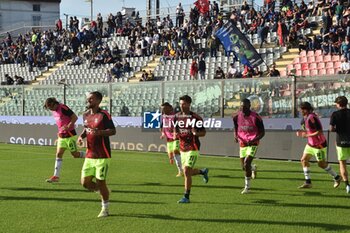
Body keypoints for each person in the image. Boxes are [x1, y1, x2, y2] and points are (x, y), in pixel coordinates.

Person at [77, 91, 116, 218]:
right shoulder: (85, 115)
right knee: (85, 183)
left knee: (101, 182)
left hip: (102, 155)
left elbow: (113, 131)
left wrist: (99, 132)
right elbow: (86, 128)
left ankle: (105, 209)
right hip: (90, 154)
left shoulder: (104, 115)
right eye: (88, 98)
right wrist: (81, 136)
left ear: (98, 101)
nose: (88, 101)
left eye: (91, 99)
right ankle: (104, 192)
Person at [296, 102, 341, 189]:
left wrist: (307, 135)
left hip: (319, 145)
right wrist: (301, 132)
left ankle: (337, 177)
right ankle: (308, 182)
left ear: (306, 109)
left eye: (301, 109)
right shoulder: (304, 119)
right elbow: (308, 131)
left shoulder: (312, 118)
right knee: (303, 160)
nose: (300, 111)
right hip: (310, 144)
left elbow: (320, 131)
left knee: (321, 164)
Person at [174, 95, 209, 203]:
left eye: (183, 104)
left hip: (193, 147)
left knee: (186, 170)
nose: (181, 106)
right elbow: (176, 130)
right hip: (182, 147)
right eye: (180, 104)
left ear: (189, 104)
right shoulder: (177, 117)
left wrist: (195, 133)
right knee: (187, 172)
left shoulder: (195, 118)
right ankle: (202, 171)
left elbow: (203, 132)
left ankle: (186, 196)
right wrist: (175, 134)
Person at [44, 98, 85, 183]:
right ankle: (56, 176)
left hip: (70, 135)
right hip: (61, 136)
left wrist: (68, 126)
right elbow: (60, 122)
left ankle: (90, 154)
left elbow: (75, 117)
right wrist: (60, 131)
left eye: (51, 107)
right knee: (59, 154)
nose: (50, 109)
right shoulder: (54, 111)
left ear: (54, 103)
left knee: (75, 154)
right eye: (49, 108)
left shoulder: (63, 108)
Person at [233, 99, 265, 194]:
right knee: (244, 167)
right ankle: (253, 168)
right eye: (241, 106)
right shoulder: (236, 116)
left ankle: (247, 188)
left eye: (245, 106)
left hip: (252, 143)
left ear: (249, 106)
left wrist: (254, 140)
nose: (242, 108)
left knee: (246, 164)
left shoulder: (256, 117)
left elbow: (263, 132)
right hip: (242, 143)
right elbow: (235, 127)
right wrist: (235, 136)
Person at [330, 96, 350, 194]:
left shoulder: (335, 114)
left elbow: (331, 129)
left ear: (338, 104)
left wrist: (338, 129)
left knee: (342, 164)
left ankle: (347, 185)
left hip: (341, 141)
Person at [160, 102, 183, 177]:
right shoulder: (163, 116)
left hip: (176, 138)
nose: (163, 110)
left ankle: (180, 171)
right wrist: (163, 133)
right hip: (169, 139)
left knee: (176, 152)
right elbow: (162, 126)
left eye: (165, 108)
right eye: (162, 109)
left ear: (169, 108)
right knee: (171, 157)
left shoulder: (175, 116)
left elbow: (178, 126)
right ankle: (183, 162)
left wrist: (176, 133)